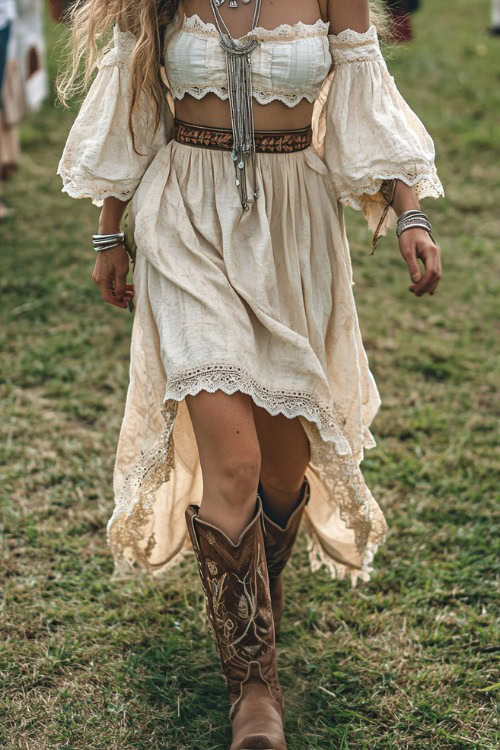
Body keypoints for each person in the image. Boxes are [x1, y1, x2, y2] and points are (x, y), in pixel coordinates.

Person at [57, 1, 443, 747]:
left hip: (294, 229)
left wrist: (411, 215)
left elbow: (366, 99)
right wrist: (110, 227)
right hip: (186, 217)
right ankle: (255, 688)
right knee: (233, 464)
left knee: (280, 471)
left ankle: (255, 604)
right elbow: (134, 102)